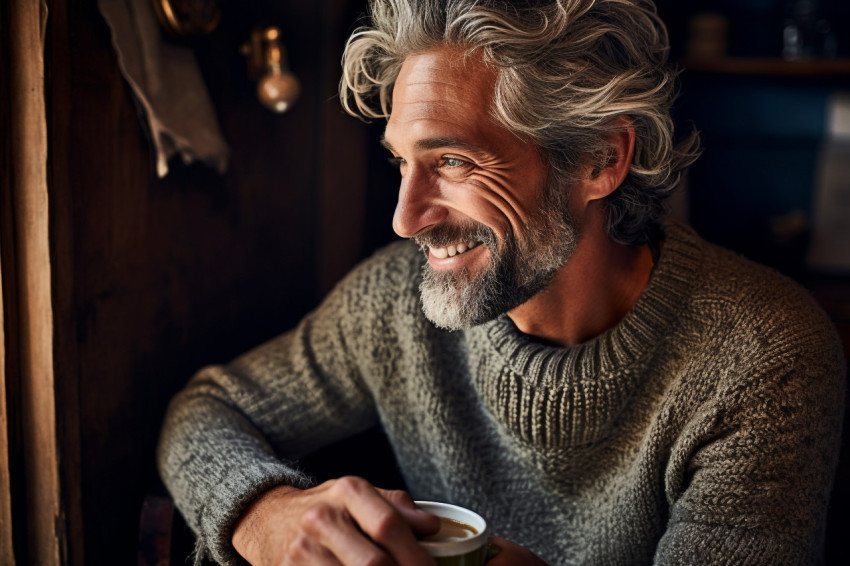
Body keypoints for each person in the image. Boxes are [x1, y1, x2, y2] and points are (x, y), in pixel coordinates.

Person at [157, 1, 846, 564]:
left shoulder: (761, 358)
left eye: (452, 161)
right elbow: (205, 412)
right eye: (402, 162)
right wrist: (267, 514)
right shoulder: (394, 303)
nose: (405, 219)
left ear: (601, 160)